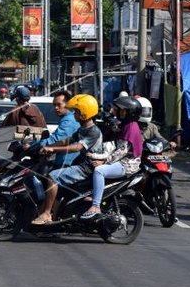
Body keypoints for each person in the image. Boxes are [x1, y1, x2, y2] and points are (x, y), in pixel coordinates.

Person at [32, 94, 103, 225]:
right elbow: (67, 140)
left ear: (84, 113)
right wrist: (48, 146)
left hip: (85, 168)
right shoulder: (83, 128)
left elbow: (77, 147)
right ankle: (54, 218)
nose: (74, 114)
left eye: (76, 111)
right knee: (58, 186)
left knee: (53, 177)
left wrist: (53, 150)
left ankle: (47, 214)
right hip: (80, 165)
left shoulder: (94, 131)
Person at [82, 96, 143, 219]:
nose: (116, 112)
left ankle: (96, 205)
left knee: (99, 171)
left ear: (128, 112)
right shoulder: (127, 125)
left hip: (127, 164)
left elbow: (121, 151)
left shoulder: (131, 127)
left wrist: (103, 161)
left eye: (120, 110)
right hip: (123, 160)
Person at [29, 90, 80, 169]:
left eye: (59, 105)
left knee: (50, 178)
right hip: (63, 160)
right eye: (54, 105)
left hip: (66, 163)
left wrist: (36, 145)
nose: (56, 108)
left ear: (68, 104)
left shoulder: (69, 121)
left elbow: (57, 139)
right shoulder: (66, 118)